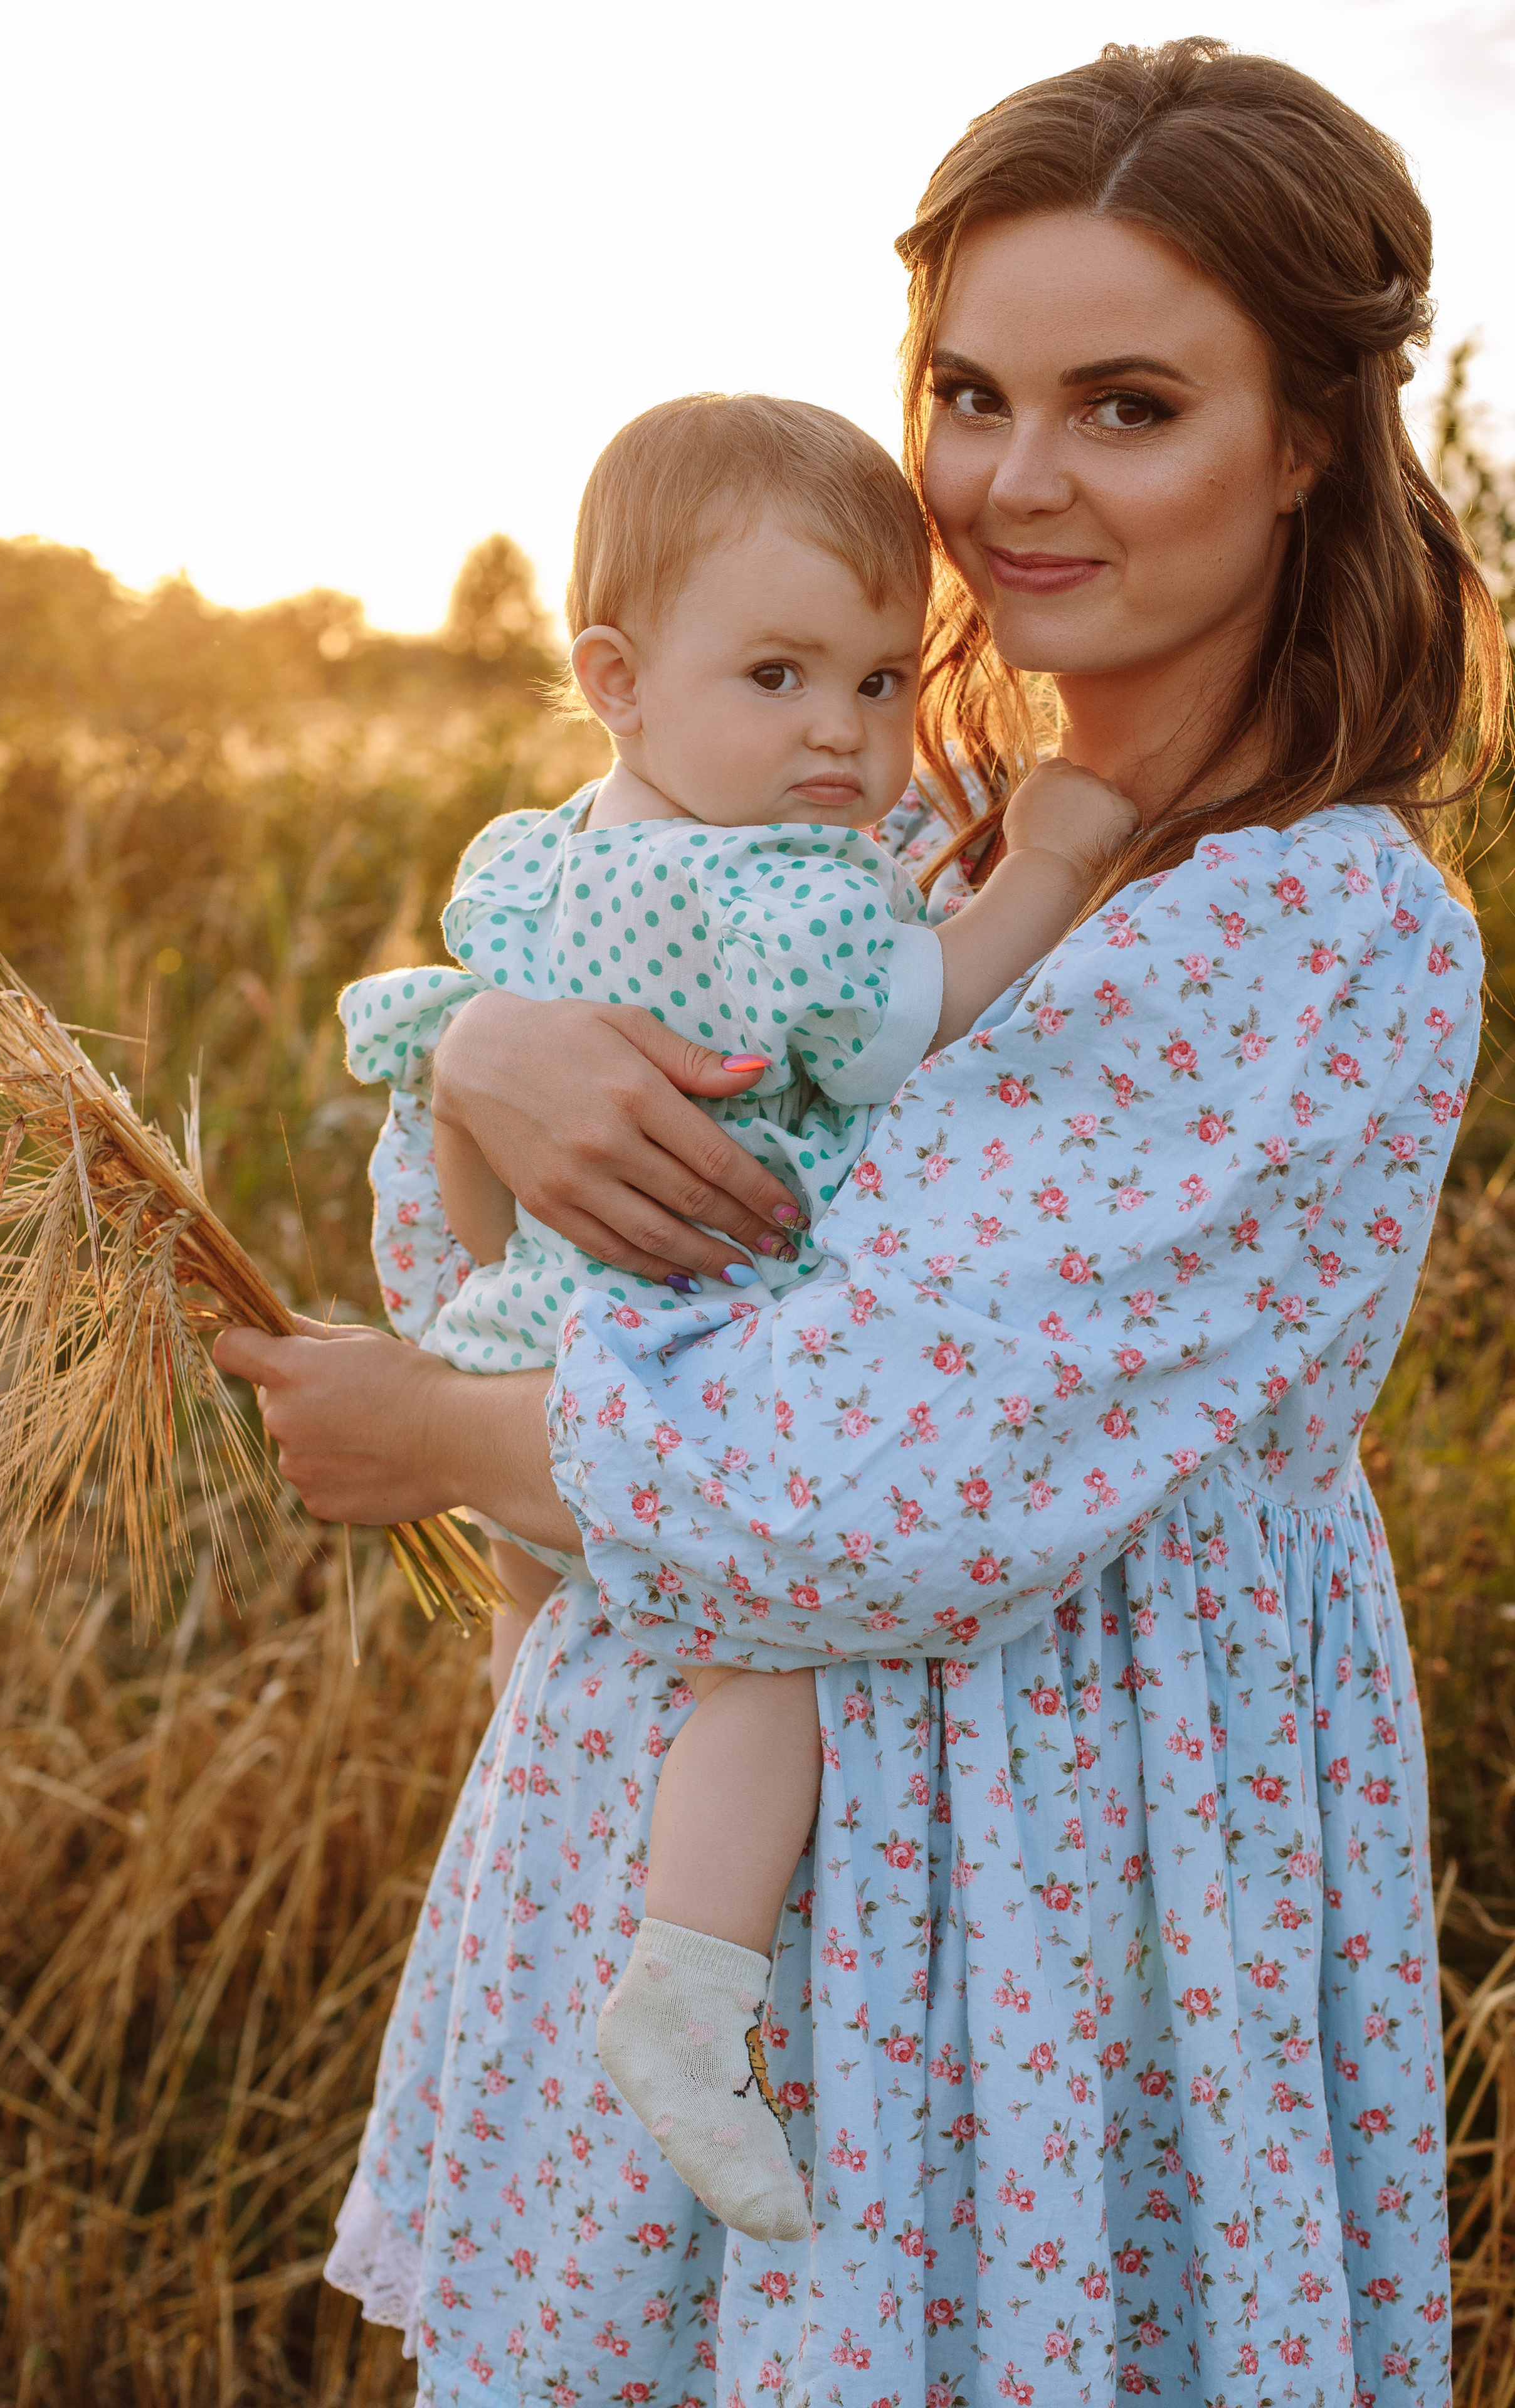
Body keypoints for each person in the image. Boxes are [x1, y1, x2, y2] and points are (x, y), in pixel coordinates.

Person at [218, 38, 1507, 2405]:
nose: (1016, 484)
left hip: (1044, 1890)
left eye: (1127, 404)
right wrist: (486, 1058)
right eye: (971, 392)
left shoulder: (1320, 935)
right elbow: (508, 1272)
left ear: (1308, 438)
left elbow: (875, 1492)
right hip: (657, 1872)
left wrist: (432, 1440)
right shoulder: (875, 826)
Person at [336, 390, 1139, 2241]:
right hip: (687, 1358)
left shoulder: (540, 857)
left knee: (545, 1664)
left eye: (876, 683)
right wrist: (1059, 859)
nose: (843, 740)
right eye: (778, 678)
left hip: (526, 1331)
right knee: (753, 1669)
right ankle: (691, 1995)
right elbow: (911, 1013)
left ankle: (578, 1885)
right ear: (615, 676)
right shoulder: (785, 900)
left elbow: (451, 1096)